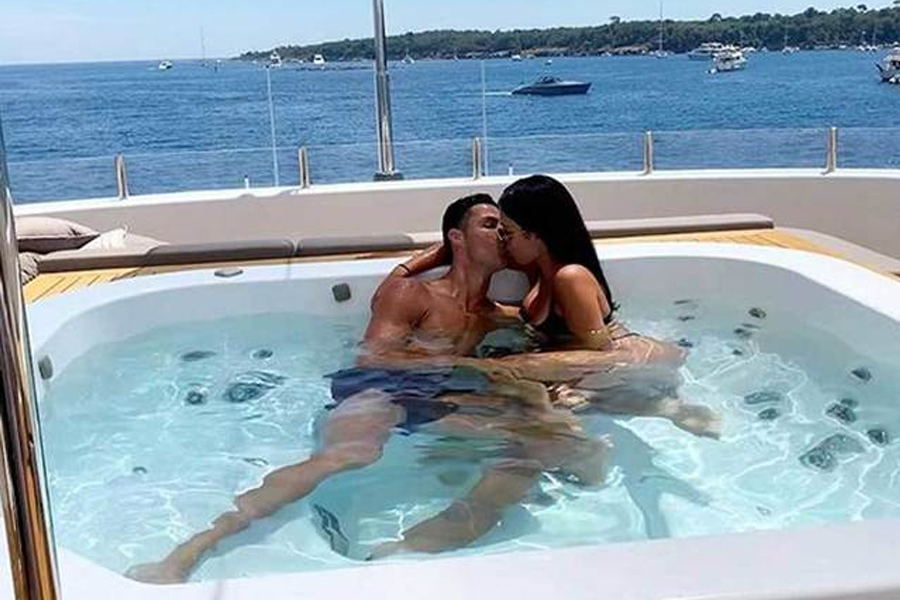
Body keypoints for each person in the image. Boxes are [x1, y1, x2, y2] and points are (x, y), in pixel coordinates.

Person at [126, 194, 608, 584]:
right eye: (489, 225)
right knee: (349, 455)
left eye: (505, 228)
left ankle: (408, 551)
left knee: (541, 443)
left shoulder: (495, 315)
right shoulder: (415, 293)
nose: (501, 234)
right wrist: (461, 359)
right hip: (382, 387)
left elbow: (558, 335)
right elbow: (373, 357)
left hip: (439, 397)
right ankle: (189, 552)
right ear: (456, 238)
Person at [398, 175, 721, 439]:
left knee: (491, 378)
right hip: (576, 362)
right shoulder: (537, 269)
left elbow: (601, 354)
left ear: (534, 235)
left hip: (624, 366)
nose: (502, 241)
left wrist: (552, 382)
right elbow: (462, 257)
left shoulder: (570, 277)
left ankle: (663, 409)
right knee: (481, 387)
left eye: (508, 233)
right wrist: (411, 267)